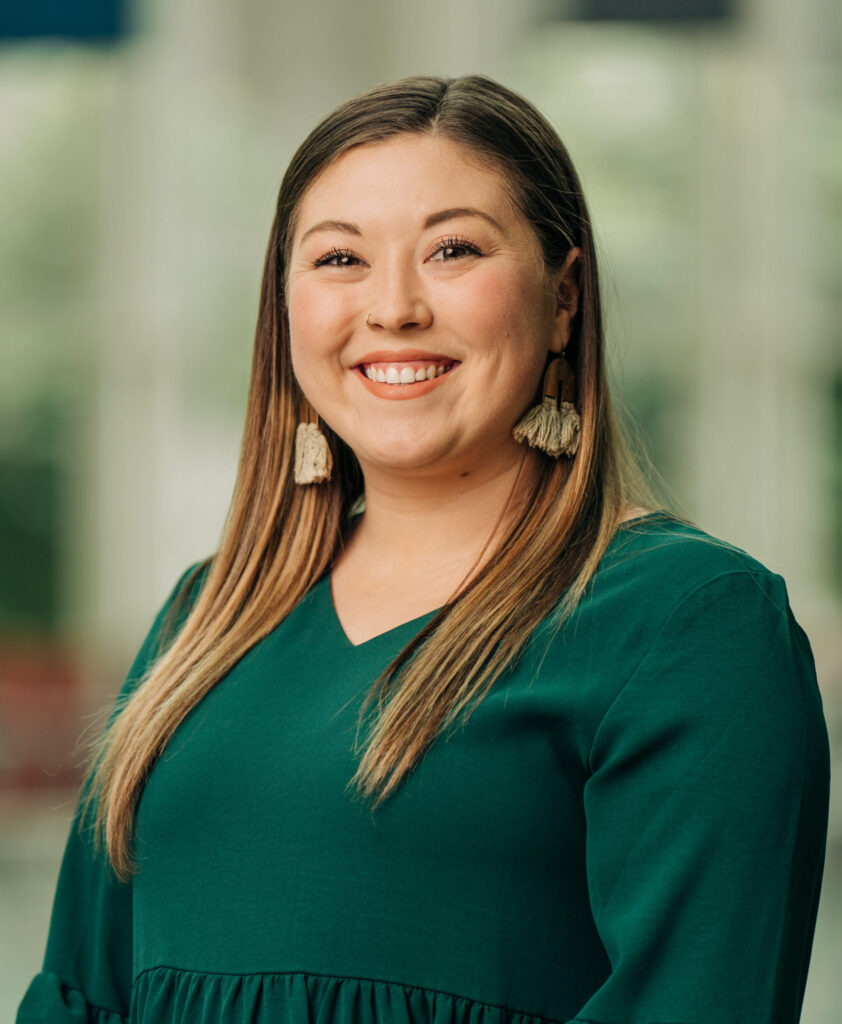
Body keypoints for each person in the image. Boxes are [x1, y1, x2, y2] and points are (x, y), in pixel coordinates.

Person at [18, 74, 830, 1024]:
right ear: (285, 308)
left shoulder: (690, 624)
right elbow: (77, 994)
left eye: (452, 249)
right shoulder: (207, 616)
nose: (393, 307)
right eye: (338, 260)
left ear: (564, 298)